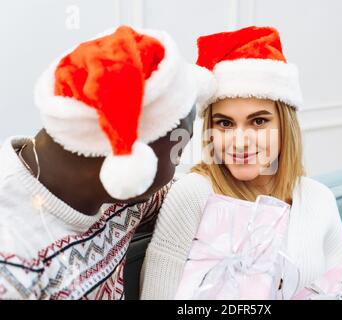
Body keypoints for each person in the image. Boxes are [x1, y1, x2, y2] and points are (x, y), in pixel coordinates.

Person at [0, 25, 214, 299]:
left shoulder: (124, 200)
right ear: (136, 162)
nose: (178, 164)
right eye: (179, 150)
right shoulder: (13, 268)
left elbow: (184, 196)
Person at [140, 26, 342, 299]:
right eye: (225, 123)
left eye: (259, 121)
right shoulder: (193, 194)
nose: (239, 142)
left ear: (285, 126)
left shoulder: (319, 199)